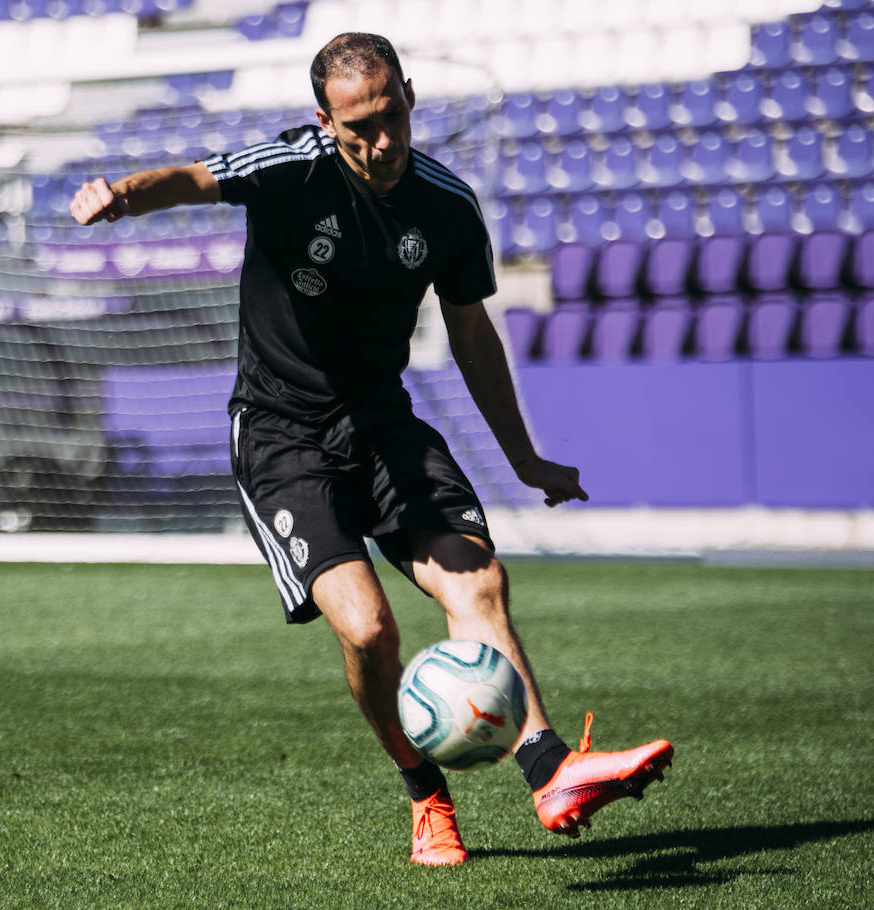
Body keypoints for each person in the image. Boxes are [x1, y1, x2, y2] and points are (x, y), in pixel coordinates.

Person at [71, 32, 673, 866]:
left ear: (410, 97)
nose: (382, 143)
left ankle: (550, 770)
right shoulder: (292, 167)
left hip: (383, 422)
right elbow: (197, 177)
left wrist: (525, 458)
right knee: (368, 630)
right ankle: (425, 791)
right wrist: (122, 195)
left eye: (392, 117)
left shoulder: (448, 206)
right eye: (359, 128)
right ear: (326, 120)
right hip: (282, 435)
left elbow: (471, 335)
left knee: (480, 578)